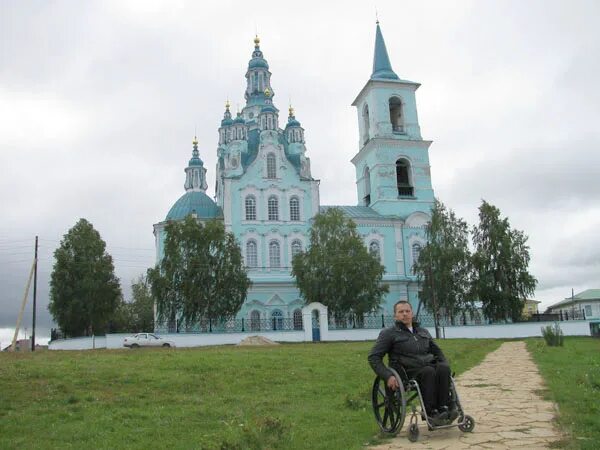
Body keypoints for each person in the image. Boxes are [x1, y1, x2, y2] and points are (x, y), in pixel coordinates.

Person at [368, 300, 458, 425]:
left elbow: (437, 351)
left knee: (443, 369)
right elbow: (374, 357)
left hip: (427, 365)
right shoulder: (388, 334)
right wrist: (388, 376)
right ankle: (431, 412)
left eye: (407, 311)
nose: (405, 314)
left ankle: (444, 407)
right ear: (395, 316)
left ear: (412, 313)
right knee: (429, 371)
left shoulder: (422, 332)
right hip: (407, 371)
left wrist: (444, 362)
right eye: (401, 312)